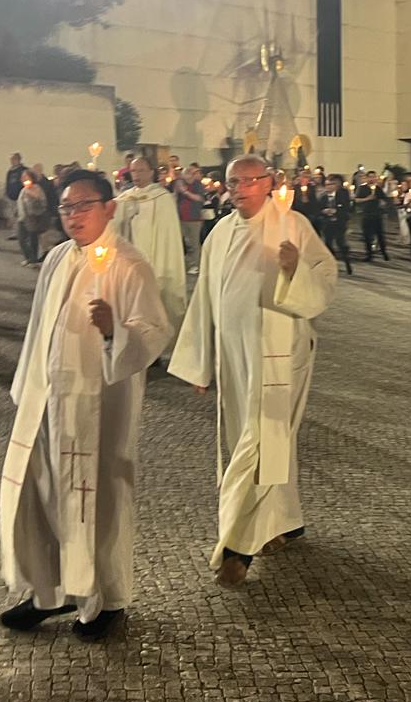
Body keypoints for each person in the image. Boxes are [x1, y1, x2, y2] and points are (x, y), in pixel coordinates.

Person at [0, 170, 171, 640]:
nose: (74, 216)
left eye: (84, 206)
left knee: (101, 497)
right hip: (49, 399)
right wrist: (28, 387)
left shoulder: (129, 264)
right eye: (66, 207)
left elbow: (155, 331)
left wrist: (115, 331)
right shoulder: (57, 257)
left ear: (109, 208)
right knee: (43, 493)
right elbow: (39, 326)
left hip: (100, 405)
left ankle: (107, 600)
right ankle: (49, 591)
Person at [168, 155, 337, 589]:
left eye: (249, 181)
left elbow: (325, 279)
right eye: (233, 182)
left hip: (281, 353)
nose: (240, 189)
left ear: (268, 183)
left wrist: (295, 270)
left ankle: (238, 547)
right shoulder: (219, 234)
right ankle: (285, 521)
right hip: (234, 355)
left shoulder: (293, 225)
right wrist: (199, 361)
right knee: (261, 440)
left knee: (261, 443)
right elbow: (205, 298)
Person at [114, 157, 187, 337]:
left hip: (155, 256)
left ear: (151, 172)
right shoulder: (125, 198)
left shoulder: (162, 198)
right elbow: (113, 224)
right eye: (133, 171)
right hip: (131, 257)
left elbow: (167, 234)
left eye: (140, 170)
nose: (136, 175)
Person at [319, 173, 352, 275]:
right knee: (328, 244)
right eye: (327, 185)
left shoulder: (342, 195)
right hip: (327, 224)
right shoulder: (323, 197)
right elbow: (318, 209)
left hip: (339, 223)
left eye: (331, 184)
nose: (328, 187)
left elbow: (346, 208)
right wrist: (324, 211)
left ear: (336, 185)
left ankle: (347, 263)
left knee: (340, 243)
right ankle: (331, 263)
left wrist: (336, 211)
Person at [175, 164, 205, 274]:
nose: (183, 177)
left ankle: (196, 265)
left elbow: (199, 198)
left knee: (194, 243)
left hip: (194, 219)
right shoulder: (180, 184)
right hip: (181, 218)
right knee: (182, 242)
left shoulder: (197, 185)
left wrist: (185, 192)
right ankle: (185, 264)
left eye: (186, 175)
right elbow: (175, 198)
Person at [16, 171, 50, 267]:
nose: (23, 179)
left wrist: (32, 195)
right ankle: (28, 257)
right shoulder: (23, 190)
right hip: (22, 217)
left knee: (32, 239)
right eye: (22, 177)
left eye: (26, 177)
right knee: (21, 239)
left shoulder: (37, 188)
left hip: (32, 217)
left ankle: (33, 260)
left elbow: (42, 203)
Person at [354, 171, 389, 262]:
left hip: (377, 215)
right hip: (366, 215)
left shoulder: (378, 188)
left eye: (374, 177)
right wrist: (367, 199)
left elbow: (384, 199)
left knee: (380, 235)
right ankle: (369, 254)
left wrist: (383, 202)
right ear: (367, 178)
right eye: (370, 177)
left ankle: (384, 253)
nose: (372, 179)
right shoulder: (362, 188)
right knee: (367, 236)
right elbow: (356, 200)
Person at [5, 152, 25, 238]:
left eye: (14, 159)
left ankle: (21, 232)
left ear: (18, 160)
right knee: (12, 215)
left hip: (20, 196)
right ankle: (14, 232)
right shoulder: (10, 171)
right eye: (11, 160)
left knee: (20, 215)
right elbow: (8, 183)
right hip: (11, 197)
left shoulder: (23, 170)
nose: (12, 161)